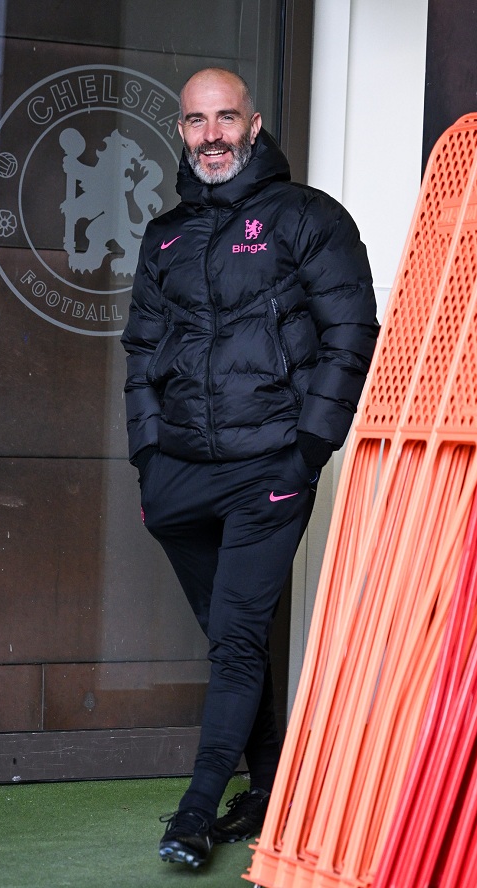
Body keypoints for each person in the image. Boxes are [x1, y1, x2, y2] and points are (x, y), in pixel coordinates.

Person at [120, 67, 379, 869]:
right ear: (181, 132)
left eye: (226, 118)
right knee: (233, 639)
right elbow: (141, 352)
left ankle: (195, 812)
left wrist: (308, 450)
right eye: (196, 122)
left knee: (234, 642)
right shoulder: (165, 235)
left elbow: (351, 335)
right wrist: (147, 457)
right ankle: (271, 786)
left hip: (269, 465)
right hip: (179, 475)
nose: (212, 136)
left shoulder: (308, 217)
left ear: (254, 125)